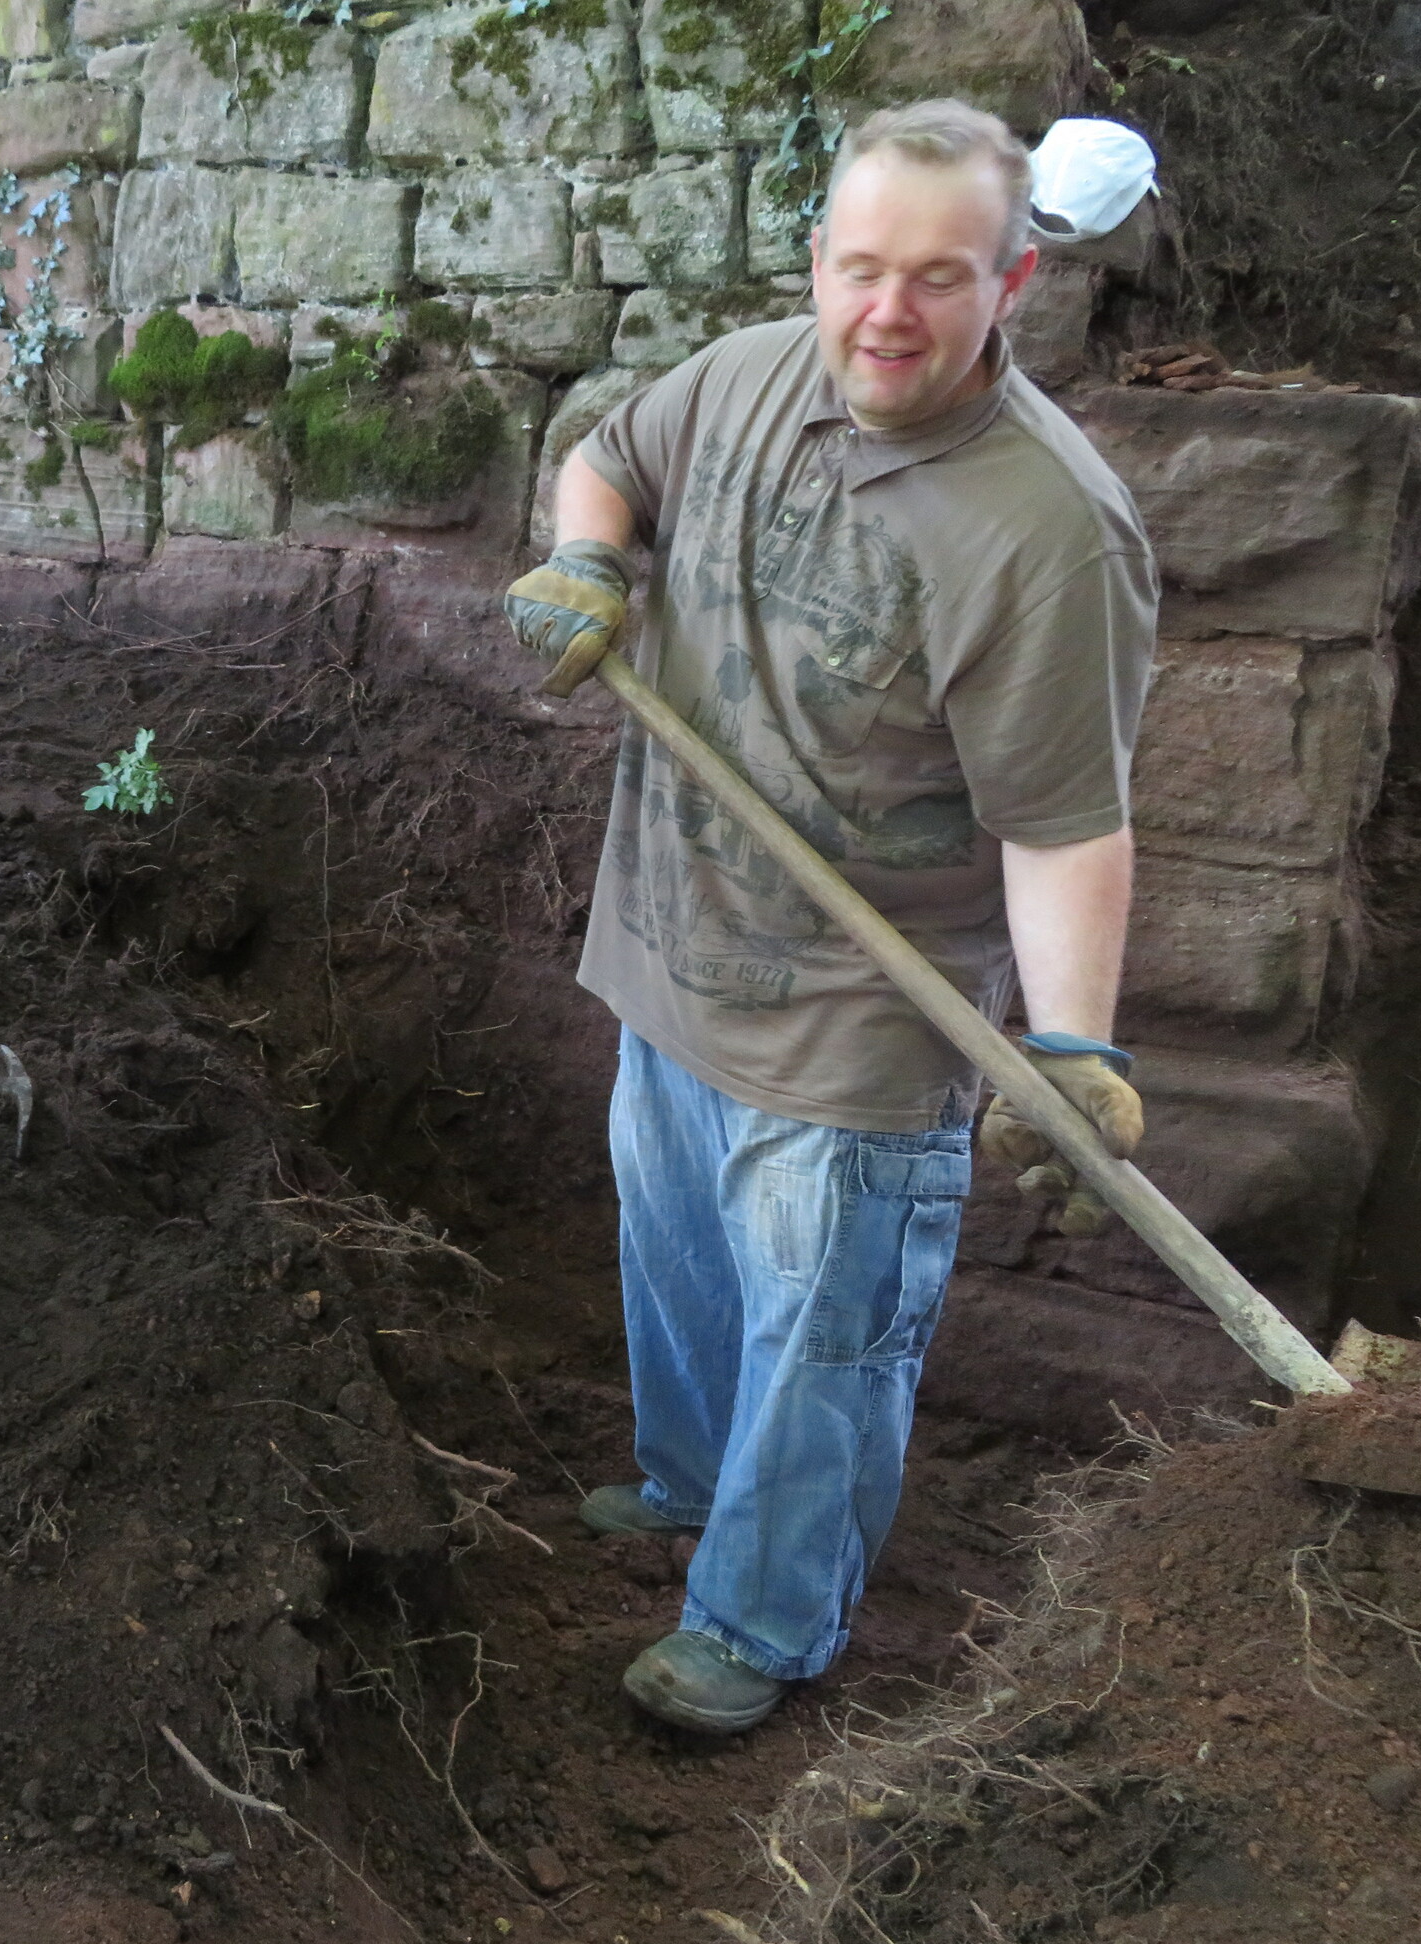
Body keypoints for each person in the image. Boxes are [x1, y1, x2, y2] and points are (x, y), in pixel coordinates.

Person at [503, 99, 1157, 1731]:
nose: (887, 314)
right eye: (862, 268)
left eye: (938, 277)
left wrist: (1071, 1045)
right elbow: (606, 462)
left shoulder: (1045, 532)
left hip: (855, 1017)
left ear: (1011, 282)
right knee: (678, 1262)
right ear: (817, 260)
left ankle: (762, 1618)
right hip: (672, 943)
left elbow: (1064, 823)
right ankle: (686, 1482)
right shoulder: (741, 377)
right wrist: (587, 561)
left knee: (821, 1337)